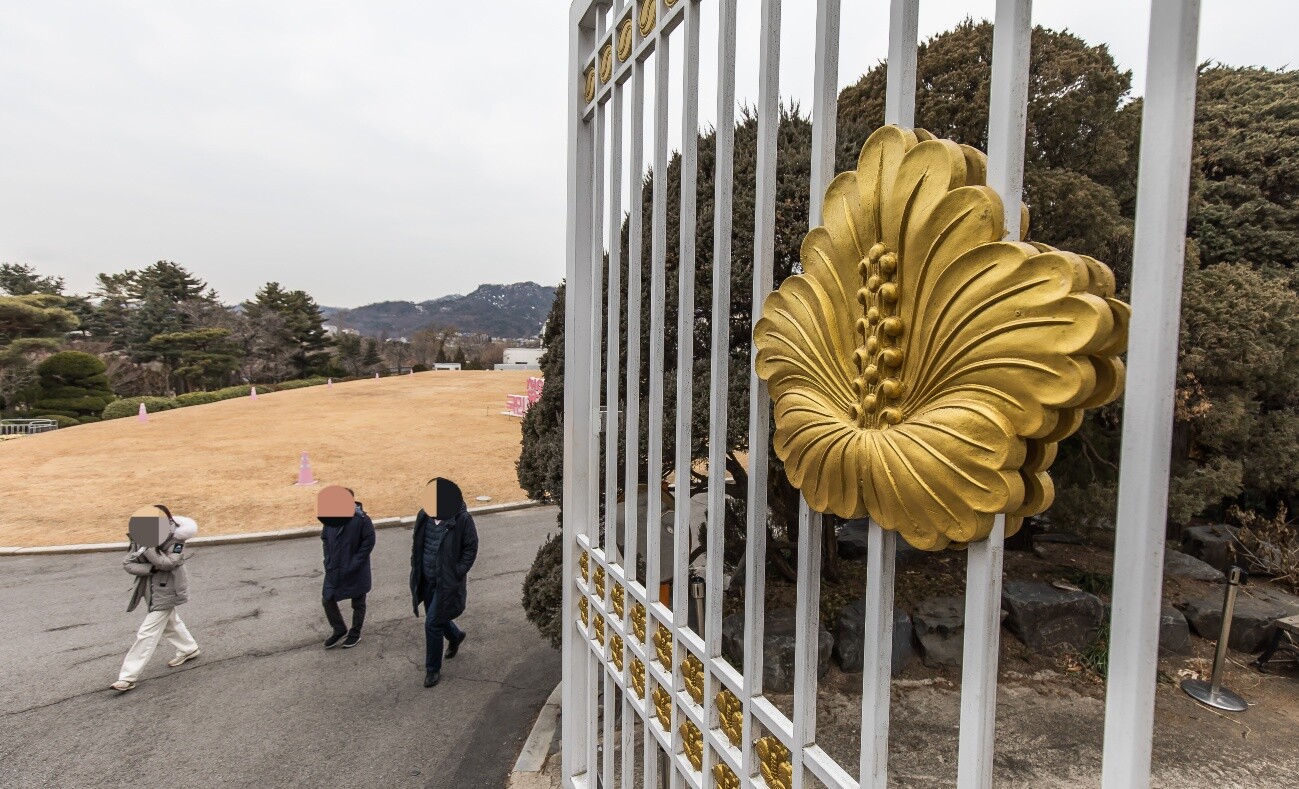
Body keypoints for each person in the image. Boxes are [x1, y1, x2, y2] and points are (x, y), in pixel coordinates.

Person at [111, 505, 200, 692]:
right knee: (170, 622)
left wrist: (149, 549)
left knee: (147, 633)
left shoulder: (177, 539)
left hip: (169, 590)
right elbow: (128, 564)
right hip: (151, 590)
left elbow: (168, 563)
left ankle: (127, 677)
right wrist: (150, 569)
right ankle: (188, 648)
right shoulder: (144, 537)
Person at [409, 477, 478, 688]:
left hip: (446, 582)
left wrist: (458, 571)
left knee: (432, 624)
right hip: (427, 578)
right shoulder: (424, 515)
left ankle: (432, 669)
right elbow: (418, 544)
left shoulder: (462, 520)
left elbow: (470, 548)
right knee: (436, 618)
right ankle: (455, 636)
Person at [318, 486, 375, 649]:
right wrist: (327, 559)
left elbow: (369, 542)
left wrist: (355, 562)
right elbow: (324, 539)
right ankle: (339, 629)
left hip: (356, 569)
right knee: (327, 599)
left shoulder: (362, 519)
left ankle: (355, 633)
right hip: (334, 567)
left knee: (358, 602)